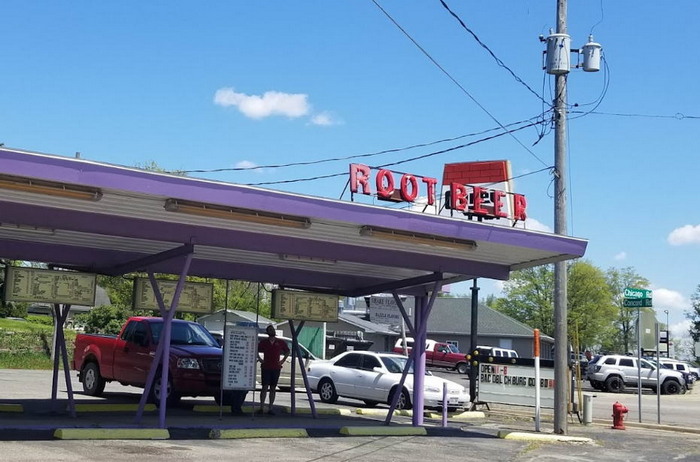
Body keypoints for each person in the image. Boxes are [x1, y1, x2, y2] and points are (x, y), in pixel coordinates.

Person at [257, 324, 289, 415]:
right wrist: (260, 359)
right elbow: (256, 350)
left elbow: (287, 351)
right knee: (264, 387)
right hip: (266, 367)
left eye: (273, 329)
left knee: (273, 388)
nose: (272, 331)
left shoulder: (280, 342)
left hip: (276, 367)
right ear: (267, 332)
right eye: (270, 330)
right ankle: (261, 407)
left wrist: (282, 360)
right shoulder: (264, 342)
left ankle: (270, 408)